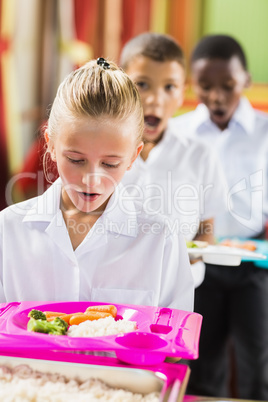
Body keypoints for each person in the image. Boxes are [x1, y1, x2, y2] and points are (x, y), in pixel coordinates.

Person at [0, 58, 194, 311]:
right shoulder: (8, 230)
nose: (91, 178)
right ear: (51, 144)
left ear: (133, 157)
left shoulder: (160, 238)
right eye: (76, 159)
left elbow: (175, 342)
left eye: (110, 164)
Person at [172, 34, 268, 400]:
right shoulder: (179, 133)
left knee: (256, 361)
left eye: (227, 86)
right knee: (202, 360)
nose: (216, 97)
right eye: (205, 87)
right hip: (200, 264)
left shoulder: (264, 132)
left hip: (253, 264)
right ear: (191, 84)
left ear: (245, 80)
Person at [119, 32, 227, 288]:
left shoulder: (200, 155)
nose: (155, 99)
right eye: (142, 84)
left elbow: (206, 227)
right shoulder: (102, 152)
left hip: (179, 285)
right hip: (114, 285)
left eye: (169, 87)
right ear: (122, 85)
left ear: (181, 94)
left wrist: (189, 257)